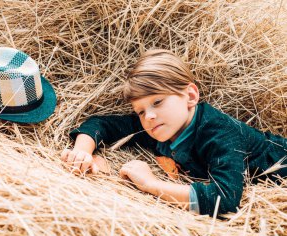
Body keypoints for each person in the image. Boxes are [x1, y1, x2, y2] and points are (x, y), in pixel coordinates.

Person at [60, 49, 287, 216]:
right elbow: (102, 124)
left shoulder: (218, 132)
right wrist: (82, 152)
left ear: (190, 96)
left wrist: (151, 185)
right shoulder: (157, 125)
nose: (148, 116)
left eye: (157, 102)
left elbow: (224, 200)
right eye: (140, 111)